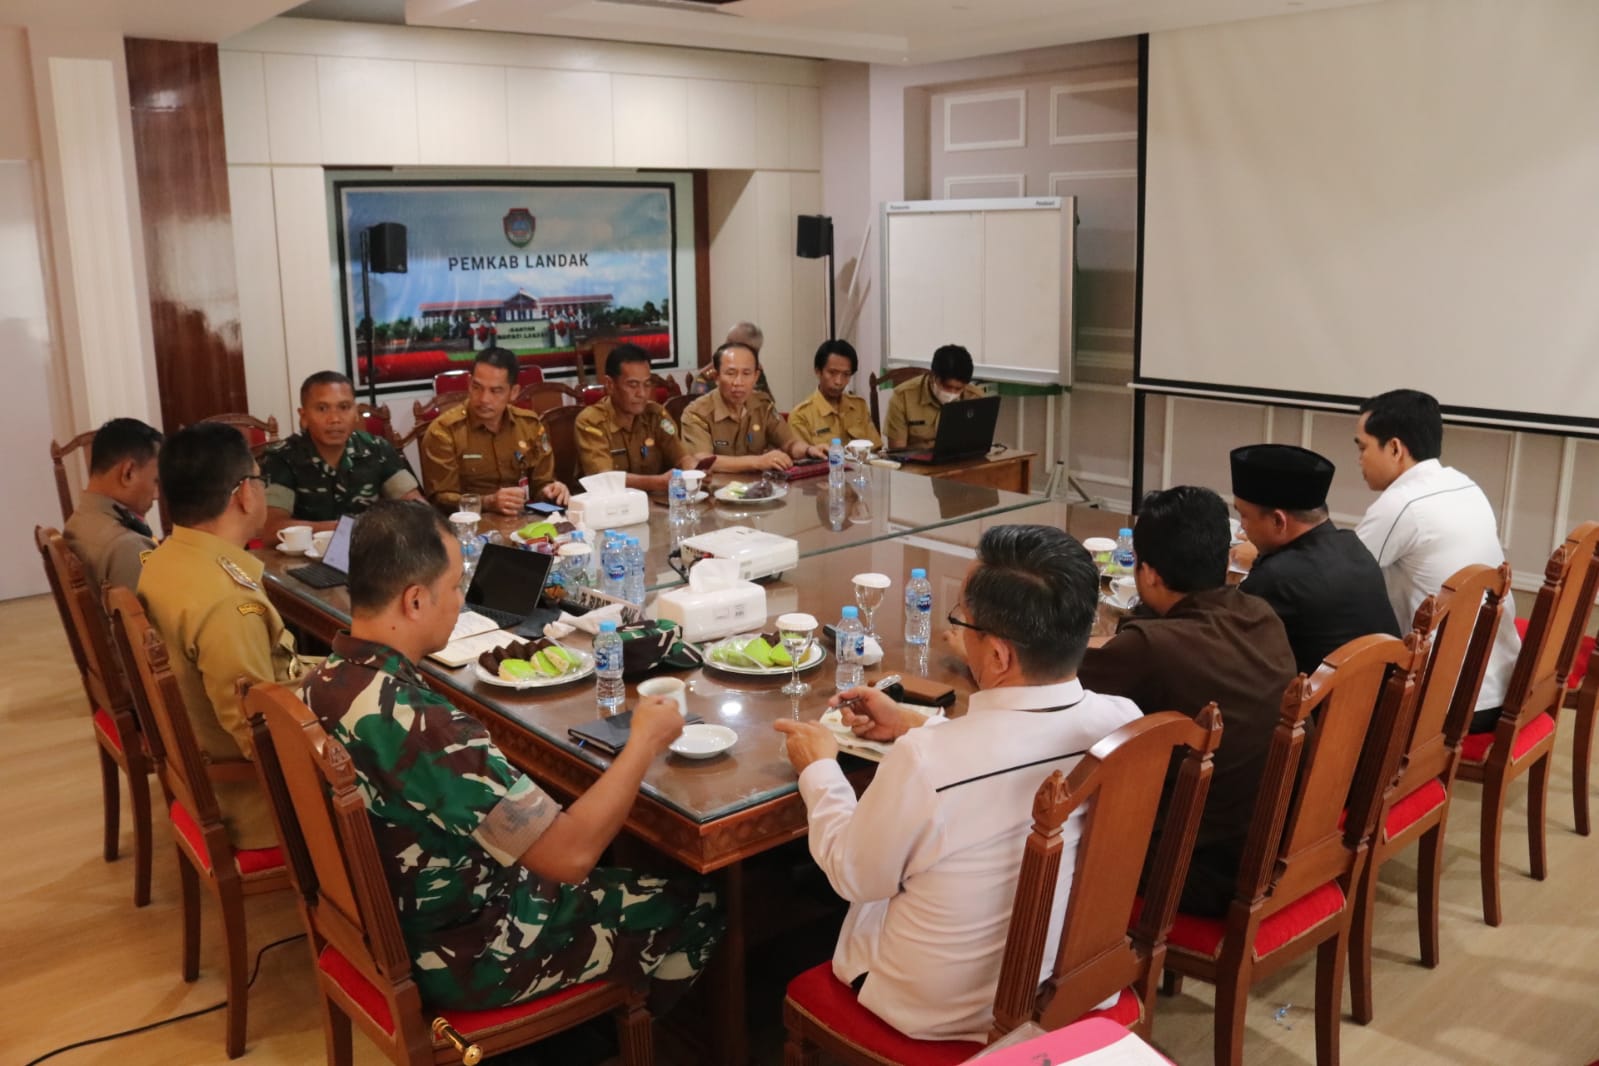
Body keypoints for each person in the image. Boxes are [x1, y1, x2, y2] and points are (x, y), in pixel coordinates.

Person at [299, 500, 723, 1012]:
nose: (460, 600)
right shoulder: (425, 725)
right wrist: (643, 743)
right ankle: (639, 1031)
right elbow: (569, 857)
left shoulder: (323, 682)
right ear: (414, 601)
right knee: (697, 898)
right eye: (455, 586)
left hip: (387, 920)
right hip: (464, 953)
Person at [774, 525, 1140, 1042]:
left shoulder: (927, 764)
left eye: (961, 621)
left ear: (998, 656)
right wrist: (912, 720)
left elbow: (853, 876)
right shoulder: (1123, 724)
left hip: (938, 1011)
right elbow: (1014, 742)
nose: (959, 633)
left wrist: (818, 769)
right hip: (1074, 979)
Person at [1077, 486, 1296, 918]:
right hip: (1265, 844)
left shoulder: (1151, 648)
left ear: (1150, 574)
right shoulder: (1260, 615)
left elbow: (1045, 681)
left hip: (1192, 868)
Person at [139, 423, 309, 850]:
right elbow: (259, 738)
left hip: (207, 762)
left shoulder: (167, 558)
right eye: (258, 478)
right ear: (243, 494)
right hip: (253, 804)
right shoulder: (227, 602)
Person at [1353, 388, 1521, 734]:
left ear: (1396, 448)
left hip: (1445, 703)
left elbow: (1337, 576)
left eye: (1363, 447)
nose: (1359, 460)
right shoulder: (1465, 484)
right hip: (1499, 682)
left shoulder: (1402, 503)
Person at [1230, 443, 1399, 675]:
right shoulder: (1352, 546)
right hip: (1379, 704)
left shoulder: (1278, 579)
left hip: (1325, 709)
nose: (1242, 527)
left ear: (1279, 521)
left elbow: (1226, 652)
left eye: (1244, 515)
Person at [258, 370, 421, 541]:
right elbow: (271, 528)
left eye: (344, 407)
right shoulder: (282, 457)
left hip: (368, 555)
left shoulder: (377, 449)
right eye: (322, 408)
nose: (335, 419)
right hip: (302, 560)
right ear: (304, 416)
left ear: (356, 412)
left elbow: (416, 507)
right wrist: (349, 529)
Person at [420, 347, 571, 514]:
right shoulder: (444, 431)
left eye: (495, 391)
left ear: (513, 392)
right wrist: (487, 502)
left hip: (523, 521)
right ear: (469, 384)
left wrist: (552, 490)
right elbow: (440, 499)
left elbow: (541, 484)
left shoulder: (529, 425)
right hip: (470, 527)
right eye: (477, 387)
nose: (484, 399)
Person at [679, 341, 826, 473]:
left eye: (746, 373)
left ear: (756, 377)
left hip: (759, 492)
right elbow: (703, 461)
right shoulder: (696, 413)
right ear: (717, 377)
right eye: (731, 373)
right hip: (716, 494)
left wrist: (809, 450)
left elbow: (789, 443)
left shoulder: (762, 405)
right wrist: (757, 462)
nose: (738, 382)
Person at [62, 417, 163, 592]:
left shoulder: (79, 521)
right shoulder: (126, 547)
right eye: (155, 481)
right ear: (128, 473)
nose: (157, 495)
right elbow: (156, 617)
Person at [574, 343, 691, 491]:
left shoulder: (656, 415)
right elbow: (604, 478)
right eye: (633, 385)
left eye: (647, 384)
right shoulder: (591, 421)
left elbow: (681, 457)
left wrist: (693, 470)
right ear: (610, 384)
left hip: (654, 504)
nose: (642, 393)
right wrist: (658, 482)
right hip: (606, 507)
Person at [786, 339, 883, 450]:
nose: (839, 381)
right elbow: (804, 462)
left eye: (846, 374)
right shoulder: (801, 416)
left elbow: (876, 450)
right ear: (818, 371)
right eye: (832, 373)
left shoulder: (859, 406)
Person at [884, 344, 984, 450]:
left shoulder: (975, 397)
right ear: (932, 376)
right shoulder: (902, 397)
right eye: (947, 386)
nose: (952, 393)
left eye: (958, 389)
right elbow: (897, 452)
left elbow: (978, 445)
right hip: (916, 464)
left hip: (960, 462)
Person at [688, 321, 771, 396]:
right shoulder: (706, 378)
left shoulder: (756, 372)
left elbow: (768, 407)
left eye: (731, 344)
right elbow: (700, 409)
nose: (725, 347)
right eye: (727, 342)